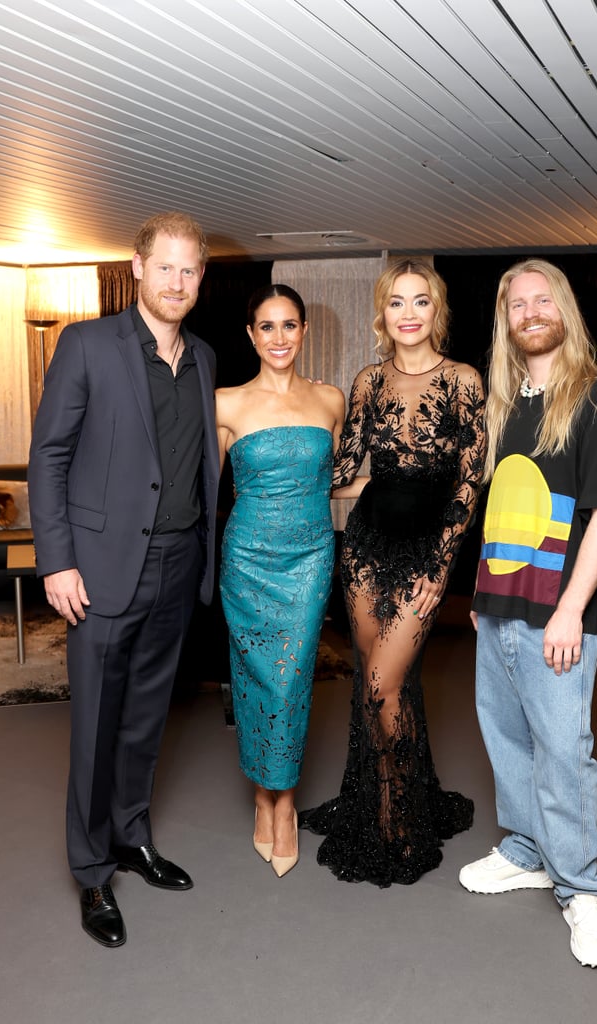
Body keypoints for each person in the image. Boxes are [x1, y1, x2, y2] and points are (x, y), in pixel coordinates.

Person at [27, 211, 219, 947]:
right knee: (95, 725)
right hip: (99, 572)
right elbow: (49, 456)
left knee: (145, 719)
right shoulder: (86, 345)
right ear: (137, 267)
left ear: (200, 277)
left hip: (176, 565)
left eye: (189, 269)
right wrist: (56, 560)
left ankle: (133, 836)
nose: (177, 281)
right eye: (164, 266)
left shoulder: (201, 356)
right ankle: (90, 871)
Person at [459, 259, 597, 969]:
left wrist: (569, 610)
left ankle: (581, 887)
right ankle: (529, 851)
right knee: (507, 740)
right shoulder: (507, 404)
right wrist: (479, 595)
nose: (528, 312)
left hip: (558, 615)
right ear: (505, 321)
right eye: (514, 304)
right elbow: (504, 509)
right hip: (498, 605)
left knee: (563, 752)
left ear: (561, 308)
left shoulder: (593, 400)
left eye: (540, 300)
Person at [299, 258, 486, 886]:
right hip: (367, 548)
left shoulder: (464, 381)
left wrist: (441, 567)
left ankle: (397, 818)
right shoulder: (368, 381)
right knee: (380, 685)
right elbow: (348, 469)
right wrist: (290, 461)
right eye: (397, 302)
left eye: (421, 301)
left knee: (383, 681)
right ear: (383, 314)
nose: (409, 314)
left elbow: (467, 486)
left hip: (424, 556)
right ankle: (383, 802)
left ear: (438, 311)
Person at [216, 284, 352, 877]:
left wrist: (386, 486)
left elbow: (331, 481)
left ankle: (285, 801)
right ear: (250, 335)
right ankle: (262, 796)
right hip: (247, 558)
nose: (279, 338)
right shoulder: (224, 404)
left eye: (289, 326)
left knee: (292, 677)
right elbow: (198, 488)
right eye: (266, 327)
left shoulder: (330, 400)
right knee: (252, 677)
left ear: (304, 331)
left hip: (310, 557)